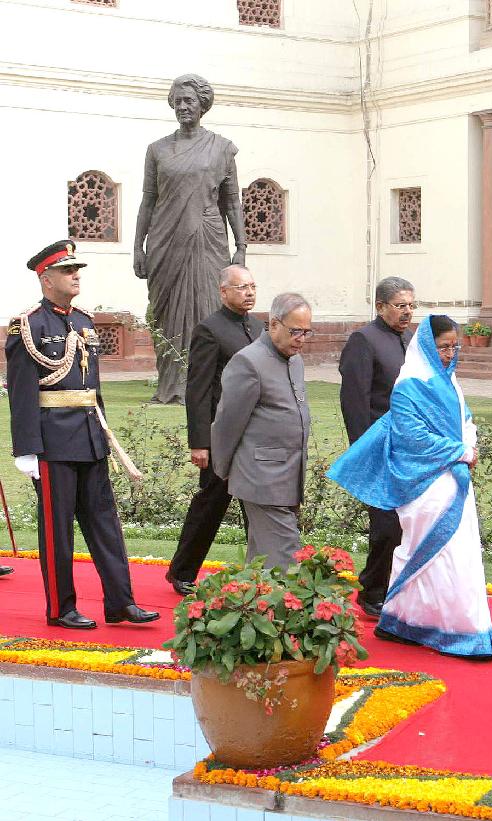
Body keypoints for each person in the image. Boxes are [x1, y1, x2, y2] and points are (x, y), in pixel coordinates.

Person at [328, 315, 492, 660]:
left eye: (454, 347)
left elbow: (465, 420)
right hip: (424, 483)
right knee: (438, 554)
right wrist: (460, 451)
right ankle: (458, 631)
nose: (450, 354)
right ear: (427, 346)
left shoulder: (450, 382)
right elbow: (412, 436)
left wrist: (468, 445)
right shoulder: (409, 385)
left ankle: (405, 622)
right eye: (443, 347)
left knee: (456, 554)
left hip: (455, 477)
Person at [6, 241, 159, 629]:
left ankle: (121, 602)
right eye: (67, 270)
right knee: (58, 531)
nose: (76, 275)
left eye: (76, 269)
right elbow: (22, 392)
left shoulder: (84, 321)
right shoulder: (28, 326)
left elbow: (92, 388)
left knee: (106, 524)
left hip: (90, 437)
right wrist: (26, 450)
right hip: (53, 443)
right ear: (46, 279)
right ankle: (61, 608)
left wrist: (102, 432)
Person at [133, 73, 246, 405]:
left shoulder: (222, 148)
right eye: (178, 101)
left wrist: (241, 246)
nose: (182, 106)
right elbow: (148, 200)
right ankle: (170, 384)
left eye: (189, 101)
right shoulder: (157, 150)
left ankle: (206, 384)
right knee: (166, 312)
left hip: (207, 239)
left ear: (202, 104)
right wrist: (138, 246)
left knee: (208, 308)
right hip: (165, 240)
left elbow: (232, 201)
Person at [165, 265, 263, 595]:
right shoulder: (210, 330)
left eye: (252, 286)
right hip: (221, 437)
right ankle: (182, 571)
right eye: (241, 287)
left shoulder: (258, 328)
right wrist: (200, 443)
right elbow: (199, 389)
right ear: (223, 292)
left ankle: (261, 572)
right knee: (211, 504)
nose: (249, 293)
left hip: (255, 435)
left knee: (258, 505)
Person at [210, 292, 312, 570]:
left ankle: (251, 596)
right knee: (286, 560)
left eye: (306, 332)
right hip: (262, 479)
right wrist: (224, 469)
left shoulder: (295, 361)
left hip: (289, 475)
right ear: (274, 324)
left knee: (262, 564)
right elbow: (227, 424)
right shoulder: (248, 362)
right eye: (295, 331)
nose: (301, 339)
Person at [338, 276, 416, 616]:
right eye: (400, 306)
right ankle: (372, 592)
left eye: (411, 306)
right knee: (386, 525)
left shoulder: (411, 340)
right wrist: (363, 451)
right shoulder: (364, 340)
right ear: (381, 306)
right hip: (378, 448)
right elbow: (354, 401)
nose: (407, 312)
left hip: (411, 449)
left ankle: (397, 588)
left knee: (409, 523)